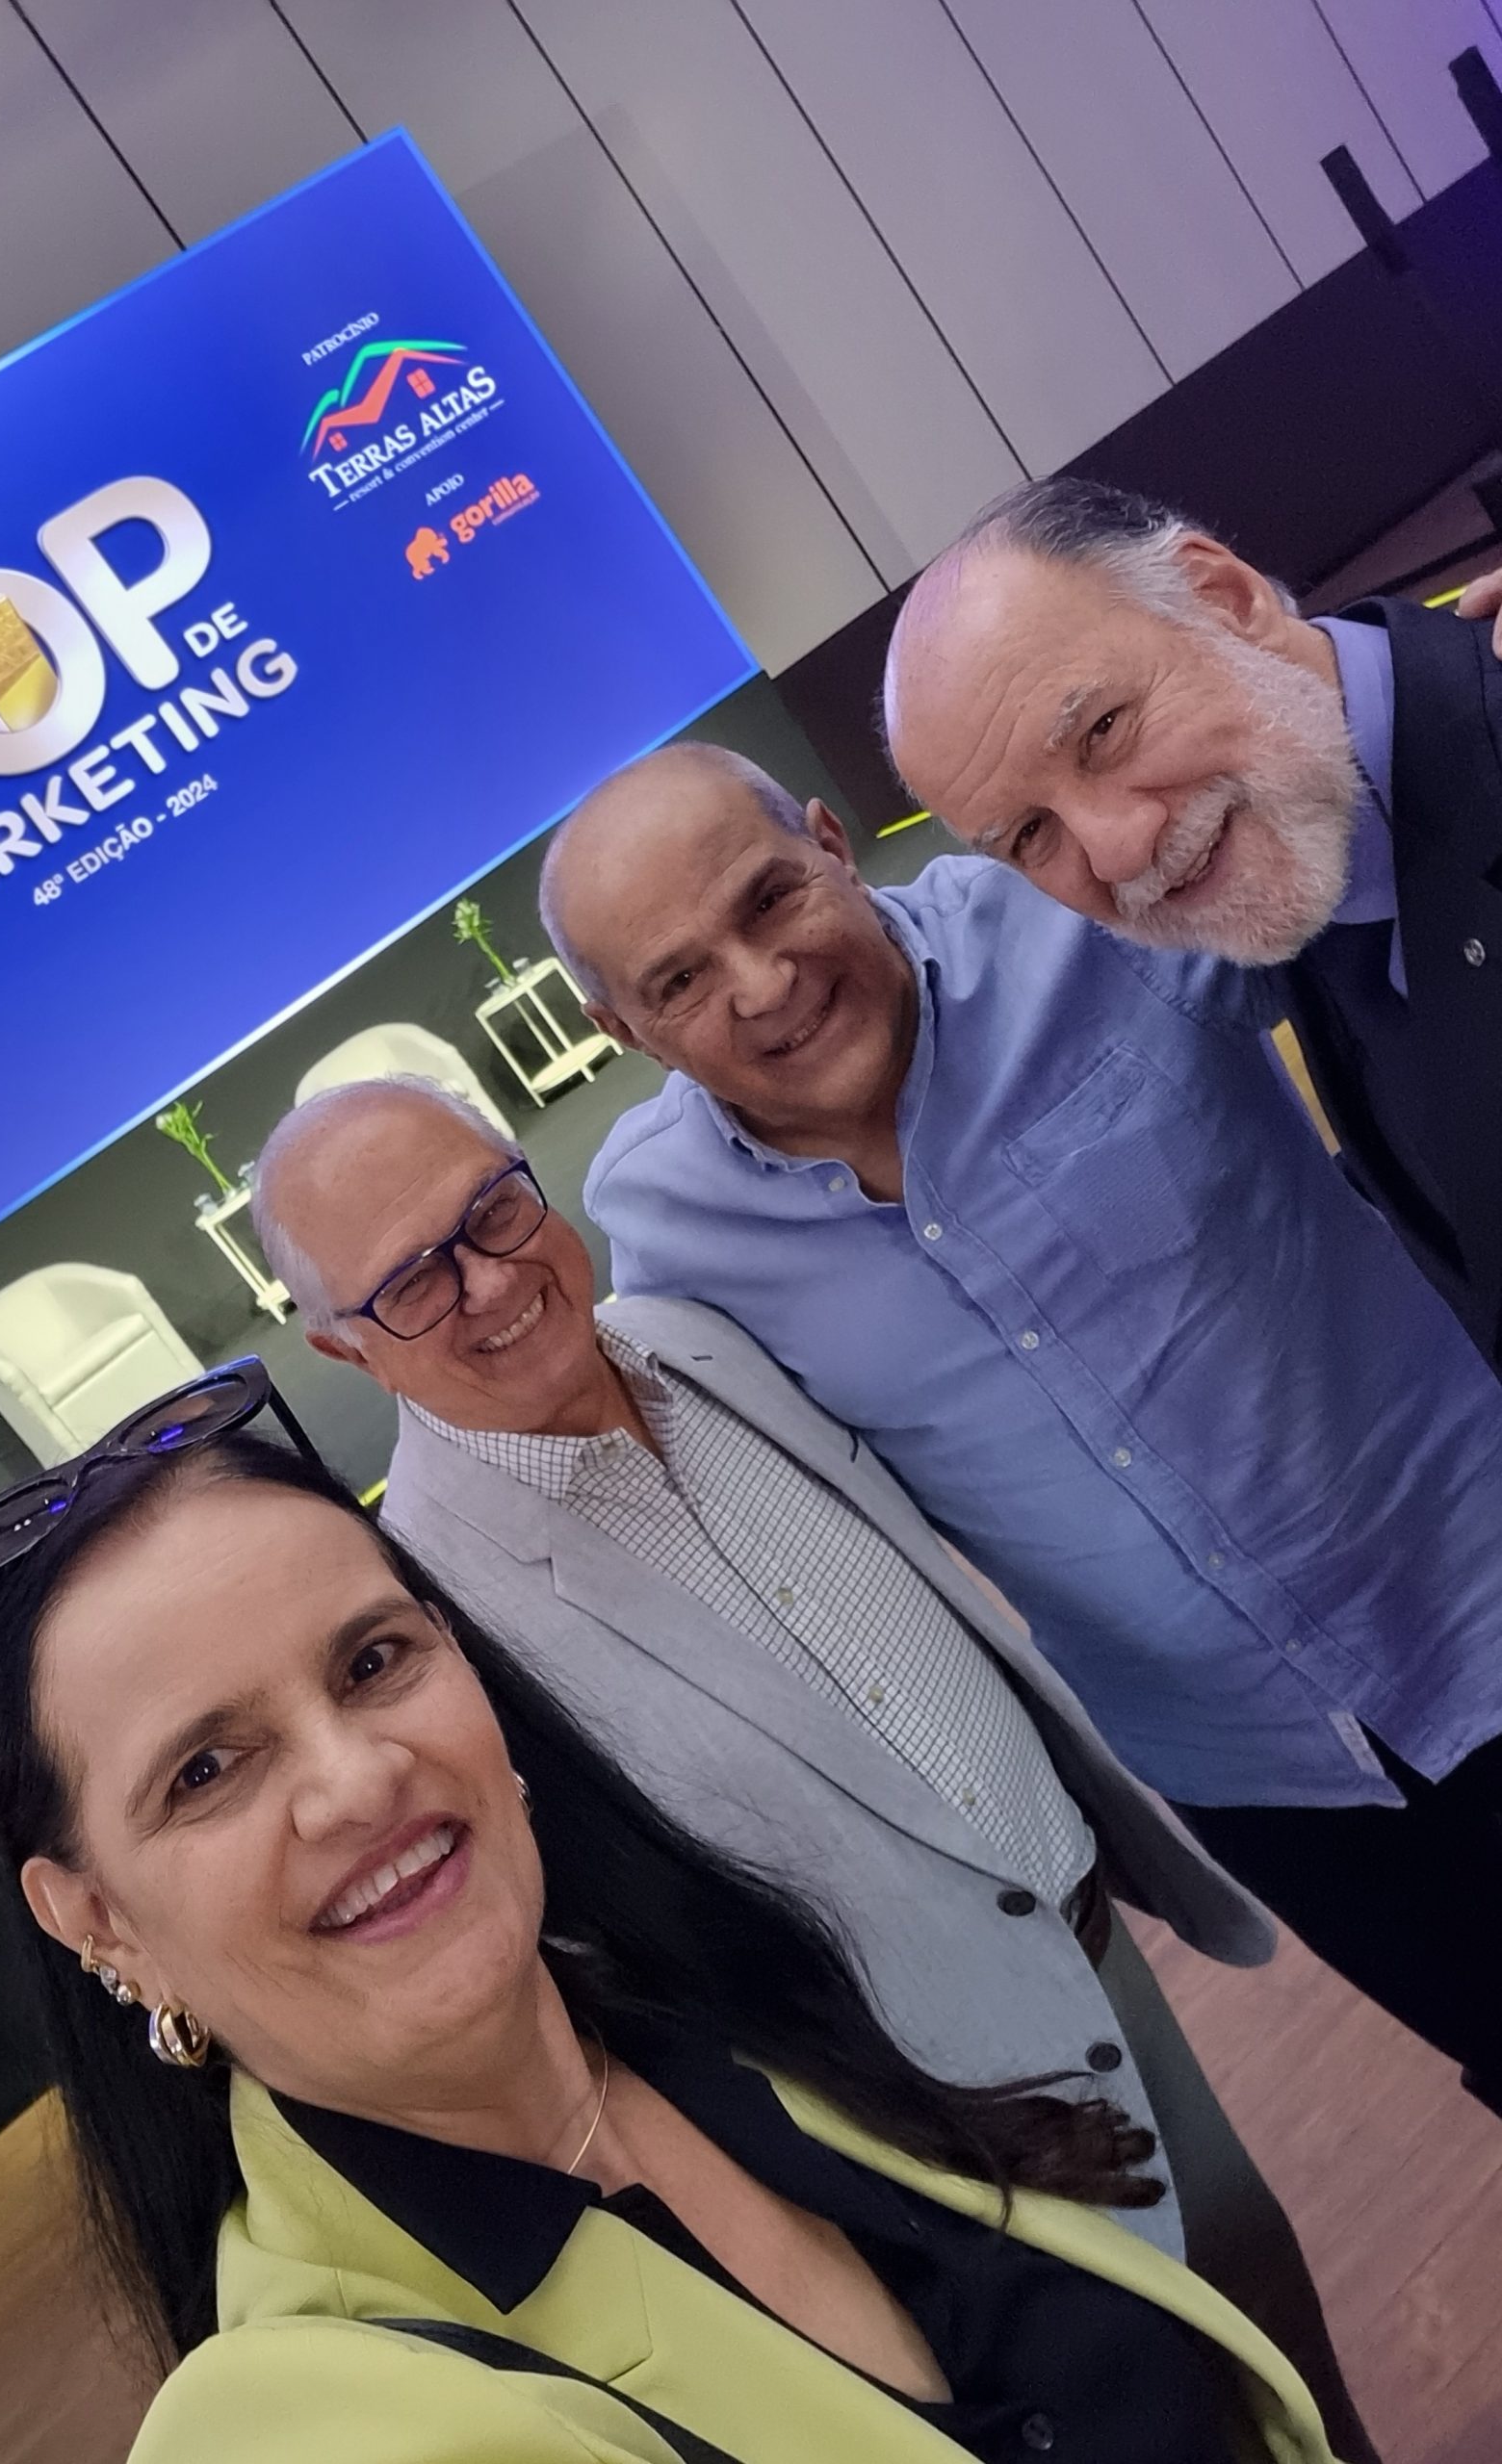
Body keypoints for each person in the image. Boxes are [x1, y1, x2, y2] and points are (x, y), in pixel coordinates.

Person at [0, 1376, 1348, 2464]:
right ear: (98, 1921)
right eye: (208, 1770)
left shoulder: (714, 2005)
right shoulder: (301, 2419)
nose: (356, 1781)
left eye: (373, 1661)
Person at [248, 1076, 1371, 2434]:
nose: (489, 1281)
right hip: (946, 2116)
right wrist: (929, 2125)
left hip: (1085, 1948)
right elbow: (625, 1969)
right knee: (1161, 2409)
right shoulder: (436, 1621)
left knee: (1274, 2325)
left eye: (491, 1209)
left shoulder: (692, 1339)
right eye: (415, 1281)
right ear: (344, 1349)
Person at [552, 741, 1502, 2138]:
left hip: (1480, 1589)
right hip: (1265, 1775)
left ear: (830, 841)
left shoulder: (1080, 921)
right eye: (681, 980)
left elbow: (1396, 922)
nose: (762, 985)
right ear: (627, 1031)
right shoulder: (668, 1231)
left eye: (768, 899)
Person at [880, 474, 1502, 1372]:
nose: (1117, 850)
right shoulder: (1305, 894)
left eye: (1102, 729)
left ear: (1227, 598)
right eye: (1031, 835)